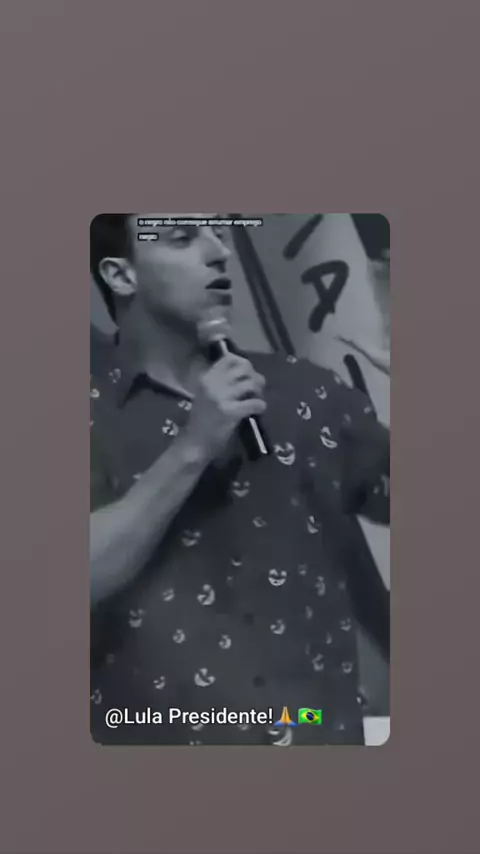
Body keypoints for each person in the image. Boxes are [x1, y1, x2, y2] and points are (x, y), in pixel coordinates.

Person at [89, 213, 390, 746]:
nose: (218, 253)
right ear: (121, 275)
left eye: (220, 235)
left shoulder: (306, 390)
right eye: (183, 238)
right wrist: (193, 448)